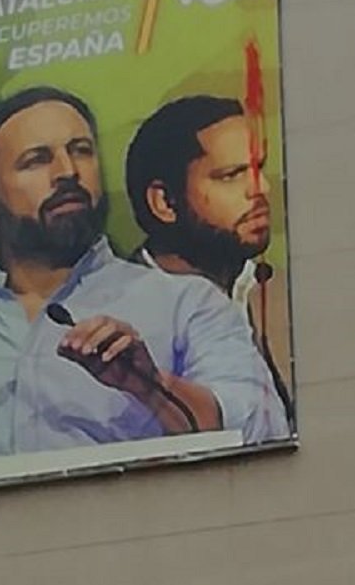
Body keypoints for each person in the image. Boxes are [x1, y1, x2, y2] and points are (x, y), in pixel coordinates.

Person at [0, 85, 289, 463]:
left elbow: (261, 433)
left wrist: (153, 389)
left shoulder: (185, 302)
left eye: (81, 151)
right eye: (36, 160)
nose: (68, 172)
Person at [124, 94, 293, 418]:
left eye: (258, 168)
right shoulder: (110, 318)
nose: (260, 190)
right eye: (231, 175)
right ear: (165, 202)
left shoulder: (288, 295)